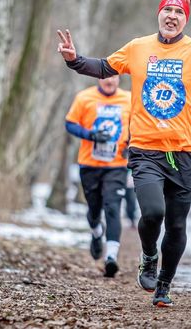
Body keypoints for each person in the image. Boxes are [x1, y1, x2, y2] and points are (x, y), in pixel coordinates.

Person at [57, 0, 191, 307]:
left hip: (185, 152)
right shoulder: (138, 48)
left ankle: (164, 285)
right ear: (159, 13)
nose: (172, 16)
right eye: (168, 10)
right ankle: (149, 255)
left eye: (179, 13)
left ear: (185, 20)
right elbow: (104, 67)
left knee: (177, 224)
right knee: (152, 212)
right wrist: (74, 60)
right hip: (145, 149)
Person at [64, 75, 131, 278]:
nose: (109, 81)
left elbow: (139, 126)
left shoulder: (129, 99)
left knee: (113, 207)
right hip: (89, 164)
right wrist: (91, 135)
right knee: (94, 209)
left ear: (119, 78)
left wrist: (131, 145)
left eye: (113, 77)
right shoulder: (84, 97)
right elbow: (70, 124)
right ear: (98, 80)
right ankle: (96, 233)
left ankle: (111, 257)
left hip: (117, 165)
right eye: (104, 78)